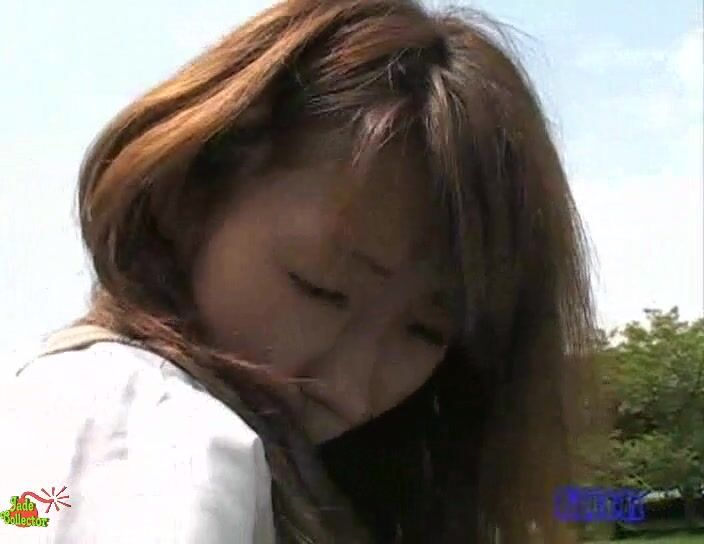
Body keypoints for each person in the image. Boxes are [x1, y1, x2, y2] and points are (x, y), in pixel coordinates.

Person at [0, 0, 597, 542]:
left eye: (424, 332)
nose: (351, 386)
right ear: (188, 196)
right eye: (320, 287)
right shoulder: (149, 432)